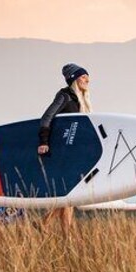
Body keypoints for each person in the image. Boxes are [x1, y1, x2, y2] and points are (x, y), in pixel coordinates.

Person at [36, 63, 92, 235]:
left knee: (70, 196)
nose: (87, 80)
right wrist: (44, 141)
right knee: (70, 194)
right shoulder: (65, 96)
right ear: (74, 79)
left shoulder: (81, 99)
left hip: (75, 152)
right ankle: (50, 225)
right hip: (63, 152)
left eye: (87, 77)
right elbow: (47, 117)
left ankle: (58, 231)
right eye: (83, 77)